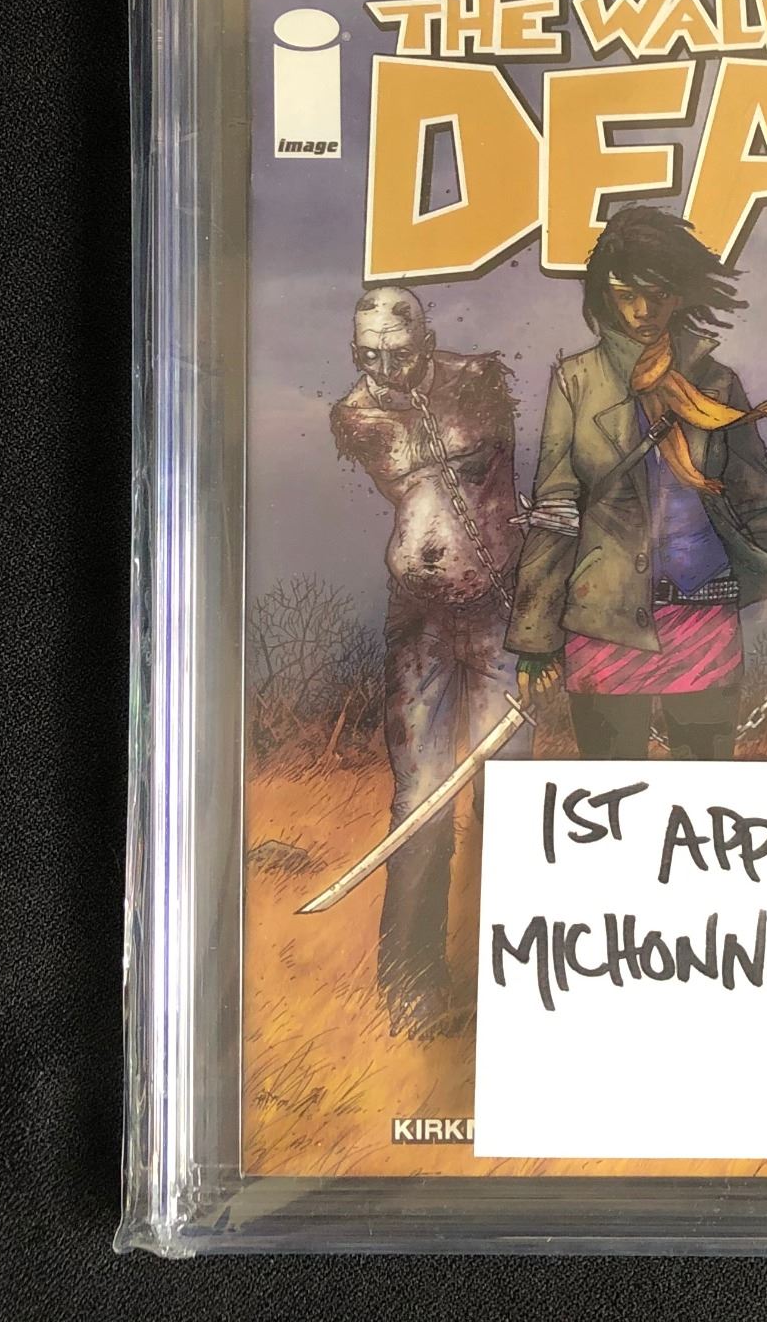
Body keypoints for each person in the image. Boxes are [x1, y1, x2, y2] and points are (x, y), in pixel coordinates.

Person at [509, 206, 767, 759]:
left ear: (681, 294)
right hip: (604, 617)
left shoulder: (717, 382)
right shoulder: (576, 380)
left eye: (659, 293)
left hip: (703, 610)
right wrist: (535, 638)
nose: (643, 311)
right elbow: (557, 511)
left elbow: (760, 503)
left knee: (704, 788)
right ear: (604, 296)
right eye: (626, 294)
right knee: (607, 789)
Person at [329, 285, 527, 1033]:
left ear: (427, 342)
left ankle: (519, 976)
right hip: (420, 615)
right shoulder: (357, 412)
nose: (383, 370)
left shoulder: (478, 379)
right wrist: (410, 394)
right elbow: (420, 457)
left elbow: (491, 460)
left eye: (398, 355)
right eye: (369, 356)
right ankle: (410, 985)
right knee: (420, 798)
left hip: (497, 605)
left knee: (511, 792)